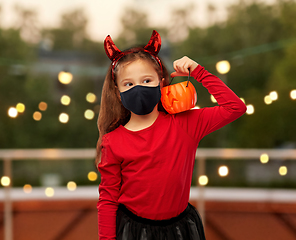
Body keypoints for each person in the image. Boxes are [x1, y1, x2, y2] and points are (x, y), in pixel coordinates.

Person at [95, 30, 247, 240]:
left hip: (180, 230)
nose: (138, 88)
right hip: (133, 232)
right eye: (129, 84)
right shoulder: (112, 141)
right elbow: (108, 199)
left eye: (147, 80)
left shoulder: (185, 123)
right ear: (118, 92)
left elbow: (235, 108)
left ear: (162, 81)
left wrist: (199, 72)